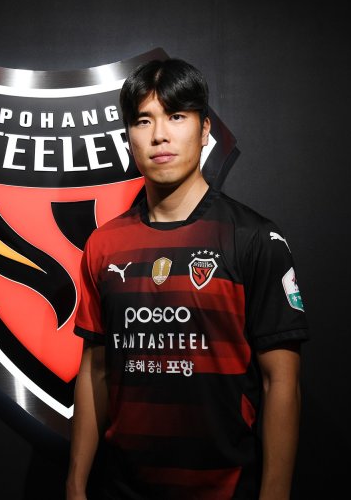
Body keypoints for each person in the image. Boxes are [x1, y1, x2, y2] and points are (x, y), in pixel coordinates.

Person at [66, 58, 309, 500]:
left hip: (226, 488)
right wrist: (75, 484)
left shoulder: (254, 239)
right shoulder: (104, 246)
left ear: (204, 129)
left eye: (176, 116)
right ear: (128, 137)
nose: (159, 135)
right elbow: (95, 370)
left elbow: (281, 381)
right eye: (143, 120)